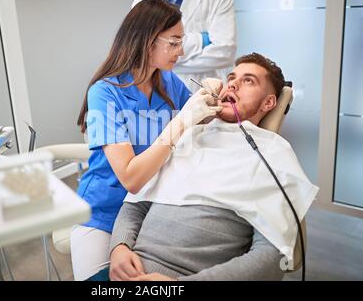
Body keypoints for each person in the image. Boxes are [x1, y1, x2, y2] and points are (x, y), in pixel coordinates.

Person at [98, 53, 318, 281]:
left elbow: (271, 257)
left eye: (248, 80)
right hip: (126, 270)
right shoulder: (188, 137)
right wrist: (120, 247)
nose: (232, 83)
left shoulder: (273, 154)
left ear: (269, 102)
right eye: (232, 77)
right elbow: (136, 205)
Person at [72, 0, 222, 281]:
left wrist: (213, 96)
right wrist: (181, 122)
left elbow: (200, 117)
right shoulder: (105, 93)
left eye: (182, 41)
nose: (181, 51)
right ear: (147, 41)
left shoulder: (167, 81)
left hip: (151, 209)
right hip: (105, 212)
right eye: (174, 42)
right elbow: (131, 178)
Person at [133, 0, 237, 92]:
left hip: (204, 89)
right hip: (159, 91)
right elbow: (141, 53)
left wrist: (163, 60)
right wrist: (202, 40)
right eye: (173, 43)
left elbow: (226, 52)